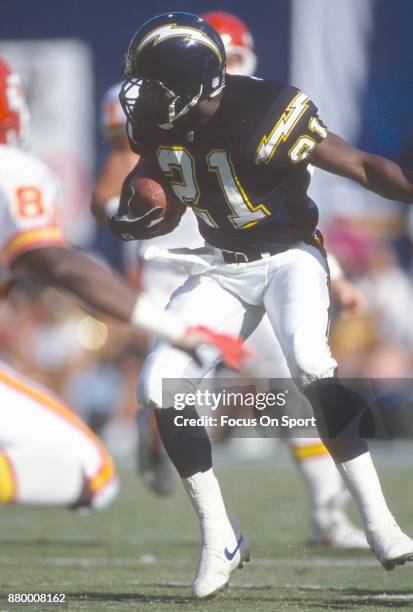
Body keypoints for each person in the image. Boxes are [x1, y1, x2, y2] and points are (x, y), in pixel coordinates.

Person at [109, 12, 413, 598]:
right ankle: (220, 534)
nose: (140, 95)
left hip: (289, 258)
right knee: (158, 382)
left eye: (153, 83)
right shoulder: (158, 121)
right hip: (218, 268)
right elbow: (165, 186)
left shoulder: (268, 109)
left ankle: (381, 523)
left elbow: (361, 166)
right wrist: (141, 209)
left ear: (191, 84)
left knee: (310, 364)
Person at [93, 74, 368, 547]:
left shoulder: (255, 109)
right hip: (169, 265)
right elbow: (116, 177)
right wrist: (130, 209)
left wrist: (334, 272)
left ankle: (328, 515)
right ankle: (166, 449)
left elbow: (283, 212)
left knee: (292, 385)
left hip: (239, 260)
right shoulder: (151, 99)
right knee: (170, 389)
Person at [0, 57, 248, 510]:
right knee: (94, 472)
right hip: (162, 260)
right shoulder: (15, 168)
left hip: (224, 254)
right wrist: (135, 213)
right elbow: (68, 252)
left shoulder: (243, 111)